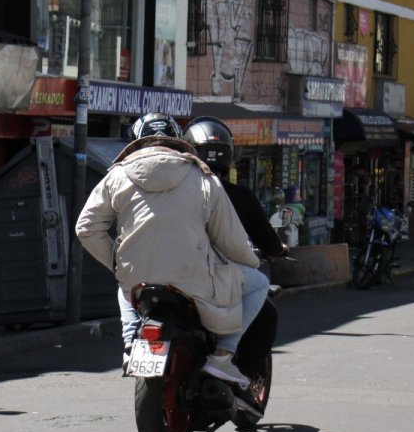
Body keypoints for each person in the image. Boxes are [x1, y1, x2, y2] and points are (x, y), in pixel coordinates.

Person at [75, 112, 268, 388]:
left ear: (136, 143)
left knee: (123, 285)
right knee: (259, 283)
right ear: (177, 142)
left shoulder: (116, 176)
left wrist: (117, 264)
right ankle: (223, 355)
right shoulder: (203, 177)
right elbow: (230, 239)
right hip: (193, 280)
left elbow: (86, 229)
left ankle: (131, 343)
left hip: (137, 280)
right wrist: (252, 262)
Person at [182, 117, 286, 260]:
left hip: (173, 269)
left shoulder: (176, 190)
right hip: (217, 271)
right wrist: (278, 249)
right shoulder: (240, 196)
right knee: (260, 282)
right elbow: (267, 242)